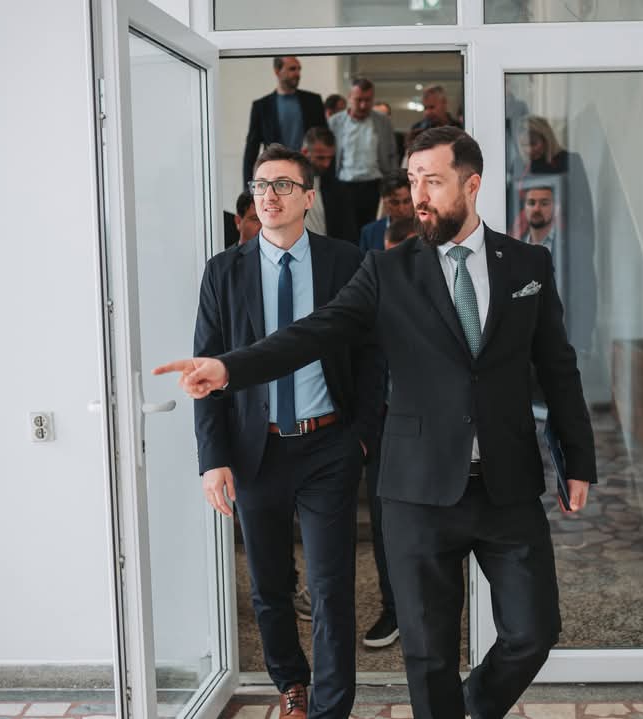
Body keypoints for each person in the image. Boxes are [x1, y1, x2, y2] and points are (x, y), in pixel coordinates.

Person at [156, 127, 597, 719]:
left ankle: (474, 704)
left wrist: (577, 457)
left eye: (433, 181)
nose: (419, 195)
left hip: (507, 484)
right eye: (413, 180)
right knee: (429, 654)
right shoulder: (386, 271)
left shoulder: (526, 263)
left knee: (533, 632)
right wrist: (228, 367)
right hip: (417, 490)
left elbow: (558, 367)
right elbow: (312, 334)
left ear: (472, 184)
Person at [187, 143, 383, 719]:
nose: (268, 196)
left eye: (282, 185)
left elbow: (372, 355)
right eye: (260, 185)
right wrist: (213, 458)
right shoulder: (223, 271)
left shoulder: (346, 261)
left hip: (329, 445)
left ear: (308, 197)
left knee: (331, 586)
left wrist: (362, 435)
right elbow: (207, 370)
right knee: (270, 585)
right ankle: (292, 683)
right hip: (257, 452)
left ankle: (332, 707)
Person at [358, 213, 416, 650]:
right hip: (383, 430)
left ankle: (427, 613)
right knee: (384, 525)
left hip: (439, 433)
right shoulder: (370, 302)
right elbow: (356, 363)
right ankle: (393, 610)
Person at [513, 116, 597, 351]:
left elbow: (583, 206)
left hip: (568, 238)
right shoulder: (521, 167)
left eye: (534, 144)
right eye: (524, 146)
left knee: (574, 293)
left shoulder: (569, 161)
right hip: (534, 238)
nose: (529, 150)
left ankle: (577, 343)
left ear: (546, 138)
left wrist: (585, 243)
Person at [518, 179, 596, 351]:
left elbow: (587, 295)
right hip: (525, 346)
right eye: (531, 203)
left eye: (544, 203)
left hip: (563, 341)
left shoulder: (572, 246)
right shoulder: (515, 247)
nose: (537, 209)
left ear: (555, 207)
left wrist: (581, 344)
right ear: (524, 208)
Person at [328, 77, 398, 243]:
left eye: (368, 100)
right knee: (347, 233)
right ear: (349, 98)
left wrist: (392, 183)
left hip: (375, 185)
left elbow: (392, 153)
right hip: (344, 185)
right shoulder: (335, 122)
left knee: (374, 233)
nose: (363, 105)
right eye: (358, 100)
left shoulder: (383, 121)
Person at [242, 57, 327, 183]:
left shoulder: (313, 101)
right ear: (277, 71)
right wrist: (248, 187)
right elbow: (251, 149)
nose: (297, 73)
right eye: (292, 69)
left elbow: (325, 141)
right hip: (276, 174)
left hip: (308, 173)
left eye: (299, 69)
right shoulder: (261, 106)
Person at [300, 126, 346, 239]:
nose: (326, 164)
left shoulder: (337, 189)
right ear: (305, 152)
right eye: (320, 158)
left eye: (330, 158)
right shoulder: (286, 183)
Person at [358, 170, 414, 254]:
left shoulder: (427, 228)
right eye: (394, 203)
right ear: (384, 202)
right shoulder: (369, 233)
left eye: (407, 201)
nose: (401, 209)